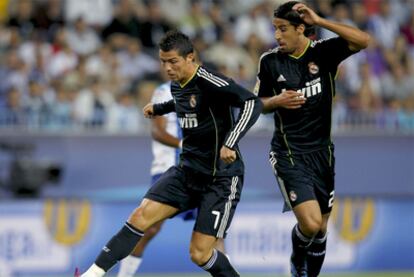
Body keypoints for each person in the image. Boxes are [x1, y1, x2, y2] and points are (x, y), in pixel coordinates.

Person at [78, 30, 263, 277]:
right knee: (140, 216)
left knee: (200, 254)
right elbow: (185, 103)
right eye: (163, 61)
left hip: (220, 178)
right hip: (186, 172)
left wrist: (230, 141)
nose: (167, 67)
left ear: (191, 58)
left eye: (173, 61)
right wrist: (160, 108)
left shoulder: (212, 82)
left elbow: (253, 103)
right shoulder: (177, 85)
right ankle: (92, 274)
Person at [255, 1, 370, 277]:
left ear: (301, 29)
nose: (277, 36)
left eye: (283, 29)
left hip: (322, 154)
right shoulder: (270, 61)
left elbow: (364, 40)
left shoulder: (324, 53)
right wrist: (277, 100)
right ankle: (296, 262)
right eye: (275, 30)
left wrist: (321, 20)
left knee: (320, 230)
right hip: (288, 153)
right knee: (310, 223)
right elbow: (256, 104)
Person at [117, 80, 225, 277]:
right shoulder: (164, 91)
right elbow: (158, 131)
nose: (169, 68)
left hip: (203, 169)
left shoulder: (206, 89)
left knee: (214, 233)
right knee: (148, 227)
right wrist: (186, 145)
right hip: (169, 168)